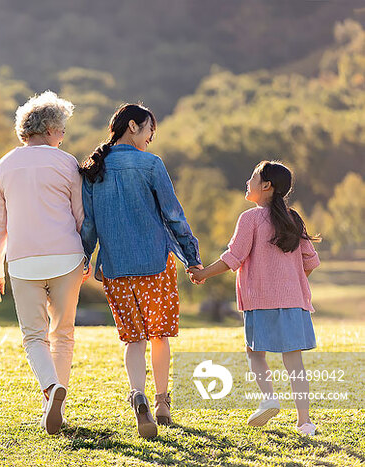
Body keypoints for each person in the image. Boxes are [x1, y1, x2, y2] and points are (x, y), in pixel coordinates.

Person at [79, 103, 202, 439]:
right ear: (133, 126)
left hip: (116, 269)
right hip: (154, 264)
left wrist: (85, 259)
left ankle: (138, 396)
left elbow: (89, 225)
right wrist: (192, 256)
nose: (150, 138)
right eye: (150, 130)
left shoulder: (93, 169)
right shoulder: (151, 164)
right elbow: (174, 215)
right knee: (159, 335)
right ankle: (162, 402)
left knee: (133, 339)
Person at [188, 160, 321, 436]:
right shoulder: (293, 218)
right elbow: (311, 260)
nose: (247, 182)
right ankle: (305, 422)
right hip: (293, 303)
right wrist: (292, 287)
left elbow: (232, 258)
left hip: (260, 302)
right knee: (294, 361)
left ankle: (269, 398)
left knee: (254, 354)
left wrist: (203, 274)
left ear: (266, 186)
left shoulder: (250, 218)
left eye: (252, 177)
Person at [0, 91, 91, 435]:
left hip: (22, 261)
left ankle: (50, 392)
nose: (63, 136)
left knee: (34, 336)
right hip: (67, 257)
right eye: (61, 129)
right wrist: (86, 255)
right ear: (48, 129)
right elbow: (80, 217)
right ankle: (54, 401)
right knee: (63, 334)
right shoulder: (67, 163)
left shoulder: (3, 165)